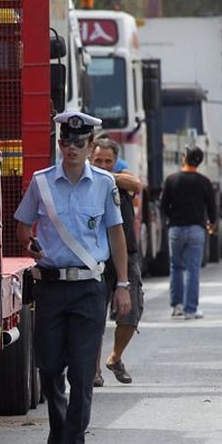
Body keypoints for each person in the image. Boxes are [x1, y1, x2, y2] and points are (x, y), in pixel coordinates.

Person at [14, 110, 131, 444]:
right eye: (66, 142)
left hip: (88, 288)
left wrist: (123, 284)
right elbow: (21, 225)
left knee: (82, 372)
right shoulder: (41, 182)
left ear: (90, 144)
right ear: (60, 143)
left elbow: (115, 234)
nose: (72, 149)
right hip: (50, 287)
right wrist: (28, 244)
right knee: (49, 368)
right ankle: (59, 423)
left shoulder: (105, 184)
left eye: (80, 143)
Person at [90, 137, 143, 386]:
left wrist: (108, 176)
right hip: (95, 257)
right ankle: (93, 370)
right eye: (98, 161)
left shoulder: (119, 179)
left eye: (107, 161)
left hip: (126, 255)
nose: (102, 165)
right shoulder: (84, 183)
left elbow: (137, 183)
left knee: (130, 313)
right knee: (93, 318)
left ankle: (115, 357)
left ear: (116, 162)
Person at [159, 146, 217, 320]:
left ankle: (176, 306)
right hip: (196, 230)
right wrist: (212, 223)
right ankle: (191, 309)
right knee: (193, 270)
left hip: (176, 229)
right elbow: (212, 207)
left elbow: (163, 206)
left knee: (176, 267)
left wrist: (171, 219)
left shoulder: (172, 180)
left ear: (184, 158)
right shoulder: (204, 182)